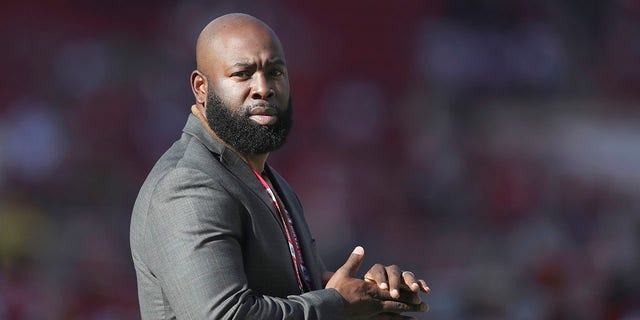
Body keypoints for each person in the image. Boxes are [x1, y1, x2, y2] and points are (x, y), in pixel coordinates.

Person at [130, 13, 430, 319]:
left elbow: (295, 292)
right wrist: (338, 305)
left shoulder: (265, 180)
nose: (263, 88)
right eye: (242, 74)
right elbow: (224, 315)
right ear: (201, 87)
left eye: (275, 72)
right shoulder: (187, 185)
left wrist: (370, 297)